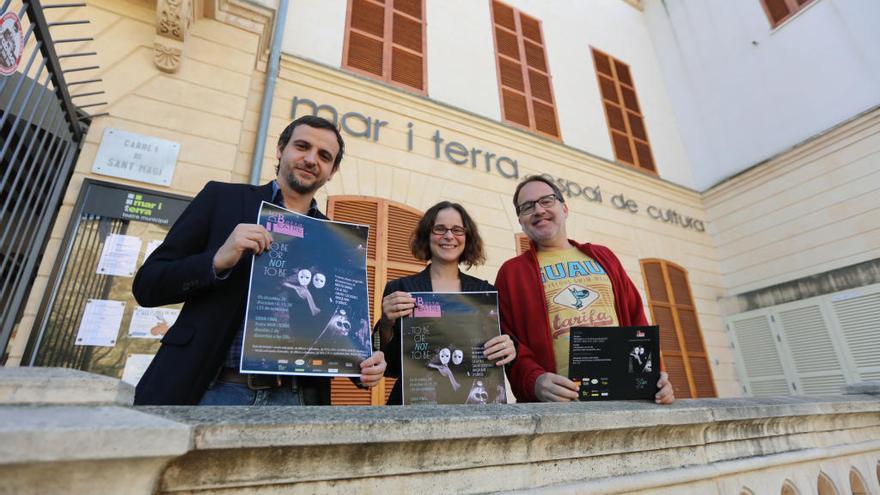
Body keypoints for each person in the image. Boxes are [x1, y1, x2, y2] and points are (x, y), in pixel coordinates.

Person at [132, 115, 386, 406]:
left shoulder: (336, 240)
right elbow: (147, 285)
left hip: (297, 398)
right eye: (302, 146)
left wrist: (363, 363)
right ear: (280, 149)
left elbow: (332, 321)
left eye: (324, 156)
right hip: (211, 389)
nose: (311, 159)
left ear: (332, 170)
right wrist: (216, 262)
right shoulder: (222, 199)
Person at [495, 175, 674, 404]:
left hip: (626, 398)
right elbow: (510, 344)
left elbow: (637, 319)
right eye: (528, 207)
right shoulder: (512, 273)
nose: (539, 210)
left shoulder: (604, 257)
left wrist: (656, 377)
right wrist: (535, 381)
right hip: (560, 407)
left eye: (547, 201)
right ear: (520, 220)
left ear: (565, 208)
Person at [375, 201, 516, 405]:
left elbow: (503, 350)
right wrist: (386, 322)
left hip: (474, 402)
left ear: (467, 238)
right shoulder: (401, 288)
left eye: (457, 230)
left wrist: (510, 348)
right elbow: (390, 365)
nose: (449, 236)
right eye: (439, 229)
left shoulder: (484, 292)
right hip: (414, 402)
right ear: (427, 235)